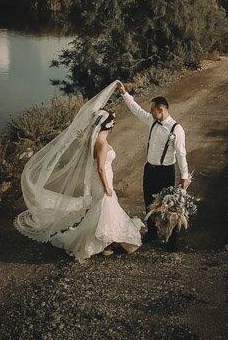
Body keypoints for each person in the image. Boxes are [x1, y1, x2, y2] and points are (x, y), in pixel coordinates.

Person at [14, 81, 144, 262]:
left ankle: (107, 240)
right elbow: (99, 167)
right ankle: (104, 243)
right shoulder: (102, 144)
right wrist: (107, 186)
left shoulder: (91, 141)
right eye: (112, 122)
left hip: (95, 180)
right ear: (108, 126)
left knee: (102, 210)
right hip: (101, 180)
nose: (114, 124)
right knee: (106, 208)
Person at [118, 81, 189, 250]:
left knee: (168, 206)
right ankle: (152, 232)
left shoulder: (176, 129)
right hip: (149, 169)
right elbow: (137, 110)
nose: (150, 113)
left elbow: (181, 154)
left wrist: (184, 176)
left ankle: (172, 240)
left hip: (166, 172)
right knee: (148, 202)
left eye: (153, 110)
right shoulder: (152, 121)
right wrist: (124, 94)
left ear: (161, 110)